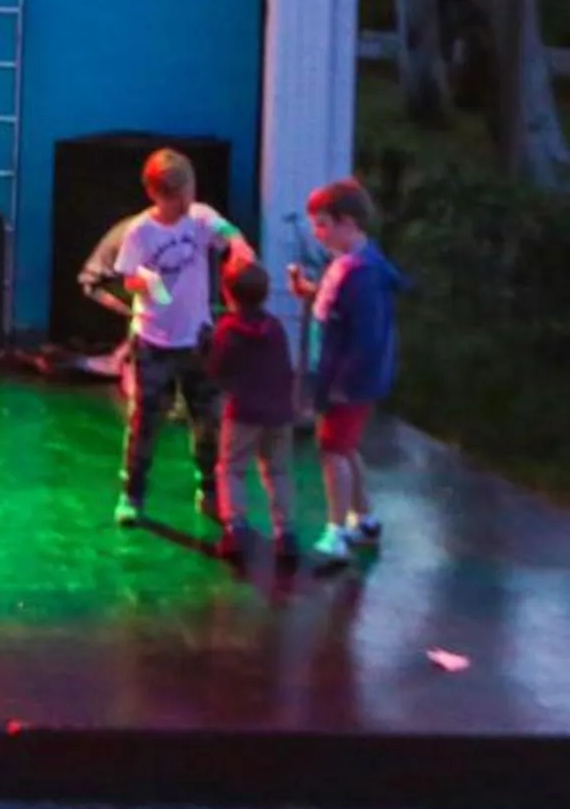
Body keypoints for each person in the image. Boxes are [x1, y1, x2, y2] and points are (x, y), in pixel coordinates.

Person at [112, 148, 255, 530]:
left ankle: (208, 487)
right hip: (154, 340)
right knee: (145, 421)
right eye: (175, 196)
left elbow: (226, 232)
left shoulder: (200, 218)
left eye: (187, 192)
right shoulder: (141, 231)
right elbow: (126, 276)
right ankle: (133, 493)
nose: (184, 202)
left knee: (206, 419)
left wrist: (239, 247)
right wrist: (146, 282)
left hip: (197, 339)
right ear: (156, 195)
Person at [292, 177, 402, 572]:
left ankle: (336, 531)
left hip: (348, 384)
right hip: (343, 379)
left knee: (332, 450)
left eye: (323, 224)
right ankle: (364, 518)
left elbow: (367, 339)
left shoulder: (363, 274)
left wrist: (341, 386)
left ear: (349, 222)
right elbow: (334, 304)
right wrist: (309, 292)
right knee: (346, 445)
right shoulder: (347, 265)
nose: (318, 233)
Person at [208, 259, 298, 567]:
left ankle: (236, 529)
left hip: (243, 412)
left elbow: (217, 371)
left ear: (226, 292)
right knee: (278, 471)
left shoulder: (227, 330)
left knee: (231, 469)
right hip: (278, 412)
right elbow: (286, 367)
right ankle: (286, 534)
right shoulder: (275, 327)